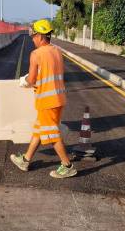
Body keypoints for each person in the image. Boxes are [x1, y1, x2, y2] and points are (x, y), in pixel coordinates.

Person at [10, 19, 77, 178]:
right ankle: (25, 160)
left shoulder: (36, 54)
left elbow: (32, 80)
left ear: (40, 36)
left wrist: (23, 82)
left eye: (34, 36)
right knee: (40, 130)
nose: (33, 39)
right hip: (58, 98)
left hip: (47, 101)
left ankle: (67, 165)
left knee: (52, 135)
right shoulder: (56, 51)